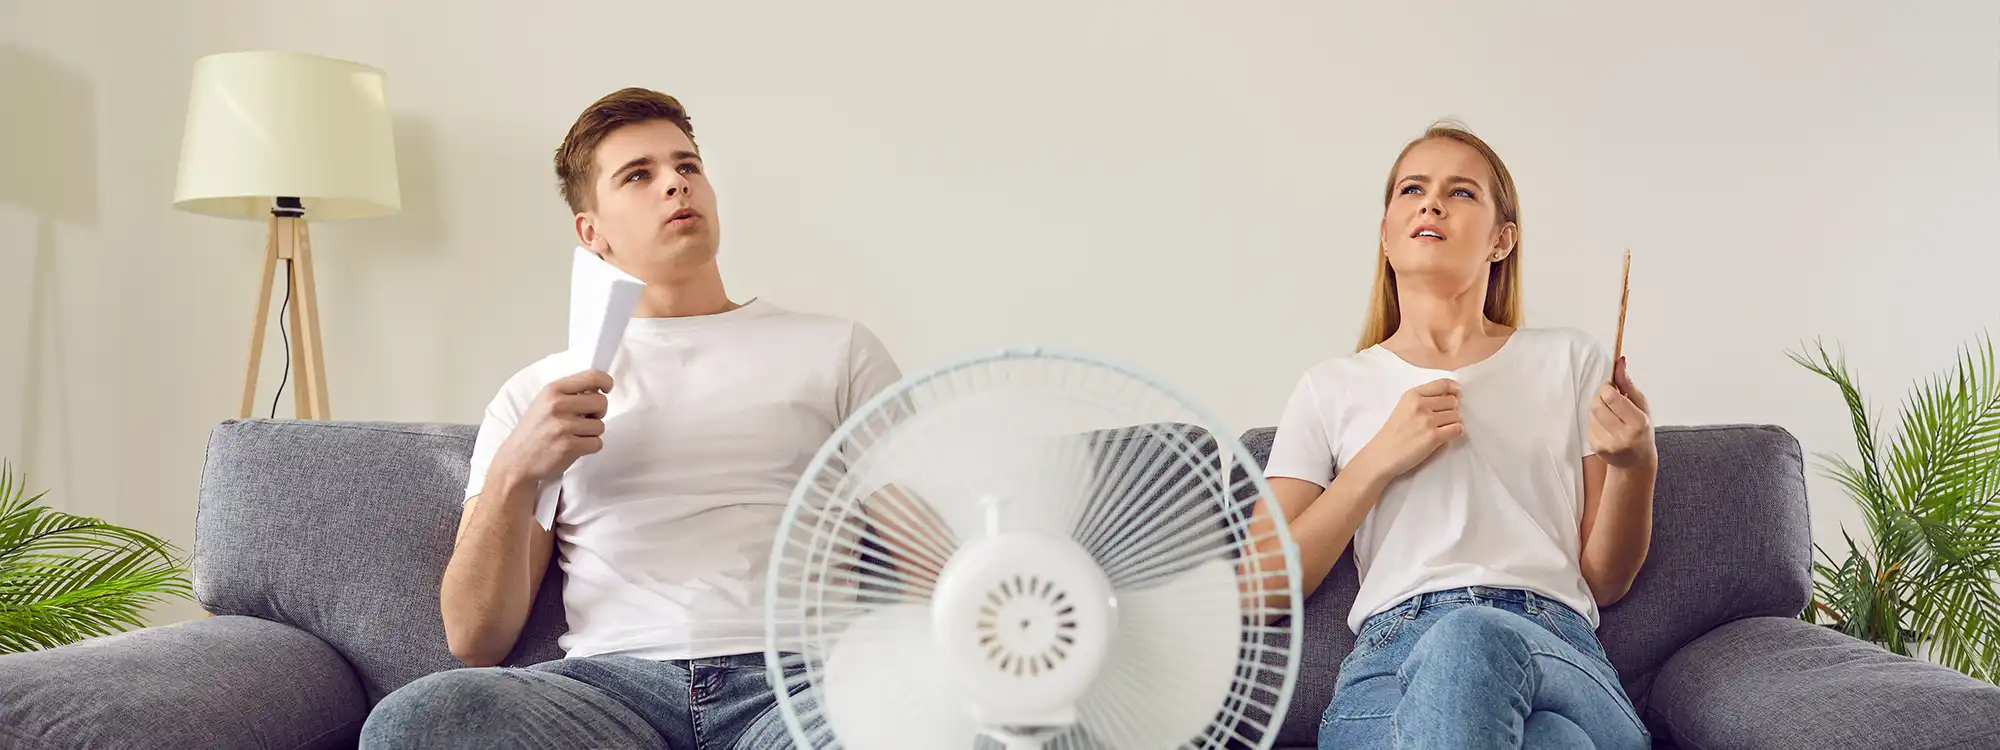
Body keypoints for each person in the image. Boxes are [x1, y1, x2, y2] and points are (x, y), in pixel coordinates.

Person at [358, 87, 904, 750]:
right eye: (639, 176)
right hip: (610, 696)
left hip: (799, 687)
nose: (675, 183)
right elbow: (475, 639)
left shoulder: (837, 350)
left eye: (688, 165)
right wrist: (515, 471)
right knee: (417, 720)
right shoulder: (539, 392)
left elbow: (921, 544)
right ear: (592, 232)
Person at [1251, 123, 1656, 749]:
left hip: (1552, 645)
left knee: (1473, 636)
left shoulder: (1571, 361)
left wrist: (1636, 465)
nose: (1431, 202)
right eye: (1413, 189)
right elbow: (1261, 589)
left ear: (1502, 240)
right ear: (1386, 234)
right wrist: (1375, 462)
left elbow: (1604, 577)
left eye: (1461, 193)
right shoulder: (1329, 387)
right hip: (1390, 668)